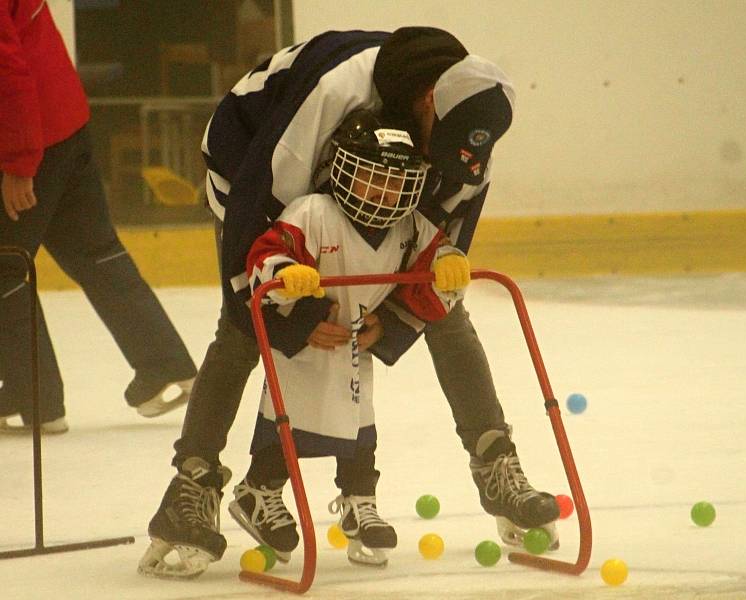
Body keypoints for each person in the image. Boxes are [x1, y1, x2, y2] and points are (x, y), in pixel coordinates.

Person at [142, 27, 559, 578]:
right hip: (251, 160)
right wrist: (298, 312)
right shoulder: (339, 88)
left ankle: (496, 464)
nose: (448, 158)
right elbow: (259, 206)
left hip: (375, 174)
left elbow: (443, 252)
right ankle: (191, 486)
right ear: (429, 99)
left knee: (449, 318)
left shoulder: (465, 130)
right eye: (440, 139)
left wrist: (392, 318)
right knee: (242, 325)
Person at [141, 110, 470, 575]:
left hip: (354, 343)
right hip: (300, 339)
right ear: (343, 172)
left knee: (359, 424)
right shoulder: (313, 212)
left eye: (397, 183)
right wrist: (284, 274)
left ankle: (360, 500)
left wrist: (448, 267)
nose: (385, 193)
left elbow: (430, 275)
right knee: (291, 418)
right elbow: (265, 255)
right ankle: (261, 490)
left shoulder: (411, 227)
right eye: (373, 178)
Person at [0, 0, 197, 434]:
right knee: (96, 252)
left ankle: (38, 403)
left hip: (33, 139)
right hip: (67, 123)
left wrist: (19, 162)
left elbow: (6, 69)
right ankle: (165, 365)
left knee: (5, 269)